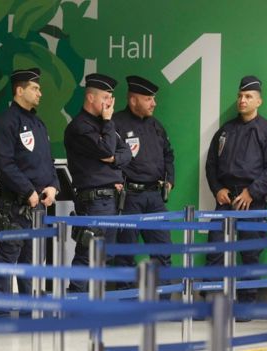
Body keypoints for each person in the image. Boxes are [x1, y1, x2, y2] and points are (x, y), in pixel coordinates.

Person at [204, 76, 267, 312]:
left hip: (253, 203)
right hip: (226, 202)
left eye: (248, 96)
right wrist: (217, 188)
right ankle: (211, 302)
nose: (242, 100)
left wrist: (252, 192)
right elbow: (211, 165)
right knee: (215, 252)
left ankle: (247, 305)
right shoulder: (225, 131)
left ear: (258, 101)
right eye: (240, 96)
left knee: (250, 255)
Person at [0, 68, 59, 318]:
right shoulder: (5, 121)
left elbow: (48, 162)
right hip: (16, 203)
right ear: (20, 90)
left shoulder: (39, 123)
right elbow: (3, 164)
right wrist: (28, 190)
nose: (40, 92)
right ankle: (0, 312)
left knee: (32, 259)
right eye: (35, 88)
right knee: (8, 256)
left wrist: (53, 187)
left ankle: (31, 310)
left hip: (38, 204)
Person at [64, 73, 132, 292]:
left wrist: (111, 157)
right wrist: (108, 127)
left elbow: (125, 152)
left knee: (105, 254)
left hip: (111, 201)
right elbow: (106, 148)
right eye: (105, 97)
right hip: (94, 200)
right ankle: (75, 303)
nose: (109, 104)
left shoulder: (105, 126)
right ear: (91, 97)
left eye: (111, 99)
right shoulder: (80, 126)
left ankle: (94, 303)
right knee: (88, 252)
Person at [113, 75, 174, 292]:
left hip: (155, 198)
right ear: (133, 100)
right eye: (148, 99)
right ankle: (126, 305)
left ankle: (164, 303)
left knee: (162, 251)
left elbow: (169, 155)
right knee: (125, 253)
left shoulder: (157, 126)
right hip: (128, 198)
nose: (154, 103)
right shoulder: (116, 123)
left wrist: (170, 180)